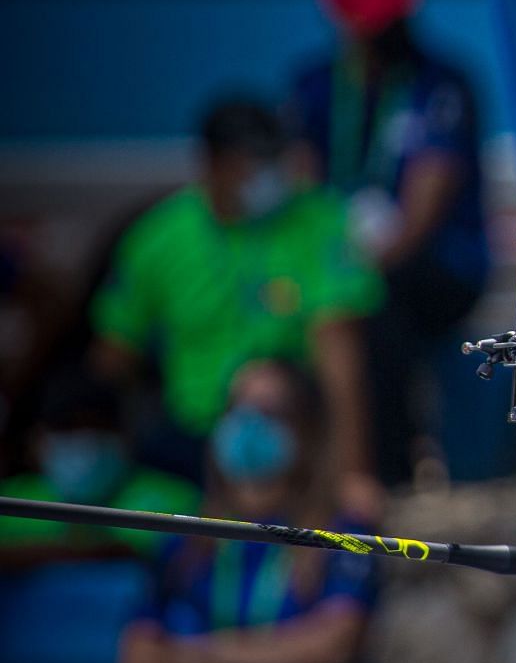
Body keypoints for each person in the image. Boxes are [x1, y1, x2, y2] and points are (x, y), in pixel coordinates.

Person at [89, 98, 385, 520]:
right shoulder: (157, 238)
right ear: (212, 164)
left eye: (274, 160)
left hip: (298, 437)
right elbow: (112, 355)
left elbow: (341, 356)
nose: (269, 175)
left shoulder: (320, 220)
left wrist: (353, 471)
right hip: (191, 440)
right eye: (252, 163)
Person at [286, 0, 489, 486]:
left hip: (434, 269)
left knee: (372, 311)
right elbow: (301, 193)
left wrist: (350, 272)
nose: (385, 25)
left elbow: (420, 217)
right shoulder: (313, 87)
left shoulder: (442, 85)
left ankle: (389, 472)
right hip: (340, 264)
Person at [119, 359, 376, 663]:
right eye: (237, 409)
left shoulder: (344, 531)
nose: (249, 425)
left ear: (306, 431)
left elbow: (331, 648)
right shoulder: (182, 540)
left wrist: (188, 658)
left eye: (271, 413)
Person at [0, 370, 198, 663]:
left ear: (124, 436)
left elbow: (160, 558)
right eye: (67, 430)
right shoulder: (14, 500)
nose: (82, 443)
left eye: (94, 428)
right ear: (38, 442)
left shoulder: (172, 499)